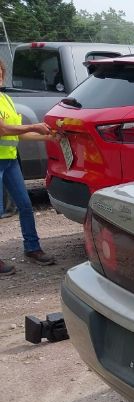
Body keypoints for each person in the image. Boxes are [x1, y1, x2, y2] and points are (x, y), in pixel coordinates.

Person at [0, 59, 56, 276]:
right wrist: (34, 125)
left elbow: (20, 133)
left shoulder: (5, 99)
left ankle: (32, 248)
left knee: (24, 204)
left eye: (0, 72)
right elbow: (3, 130)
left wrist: (50, 137)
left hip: (10, 160)